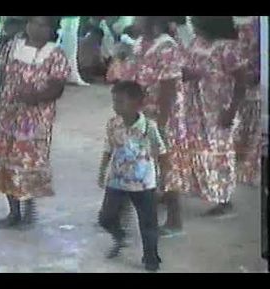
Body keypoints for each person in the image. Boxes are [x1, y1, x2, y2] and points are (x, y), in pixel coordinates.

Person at [0, 16, 71, 230]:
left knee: (27, 164)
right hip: (8, 115)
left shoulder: (56, 54)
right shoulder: (12, 47)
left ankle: (29, 210)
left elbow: (57, 87)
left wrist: (35, 97)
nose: (35, 28)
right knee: (5, 161)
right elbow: (2, 78)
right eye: (32, 22)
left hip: (35, 121)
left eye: (43, 24)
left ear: (52, 29)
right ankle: (13, 211)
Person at [119, 16, 188, 237]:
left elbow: (168, 89)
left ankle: (174, 220)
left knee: (166, 166)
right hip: (141, 114)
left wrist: (161, 123)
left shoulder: (166, 46)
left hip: (161, 117)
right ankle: (124, 212)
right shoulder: (140, 43)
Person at [98, 81, 167, 272]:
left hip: (144, 184)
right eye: (114, 102)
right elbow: (108, 148)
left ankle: (151, 258)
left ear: (137, 103)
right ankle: (120, 236)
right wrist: (102, 170)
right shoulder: (113, 124)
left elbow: (162, 152)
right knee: (105, 218)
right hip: (117, 181)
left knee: (148, 223)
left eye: (120, 102)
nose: (115, 107)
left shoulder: (149, 127)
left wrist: (163, 180)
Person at [183, 16, 246, 216]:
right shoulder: (196, 42)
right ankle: (206, 190)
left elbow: (241, 82)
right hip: (195, 107)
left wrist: (232, 111)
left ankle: (224, 199)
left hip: (219, 107)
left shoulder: (228, 48)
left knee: (220, 152)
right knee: (199, 149)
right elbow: (188, 67)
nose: (192, 23)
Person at [233, 16, 261, 185]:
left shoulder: (256, 24)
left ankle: (251, 171)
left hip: (253, 82)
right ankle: (245, 169)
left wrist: (256, 73)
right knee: (244, 127)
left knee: (253, 129)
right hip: (240, 81)